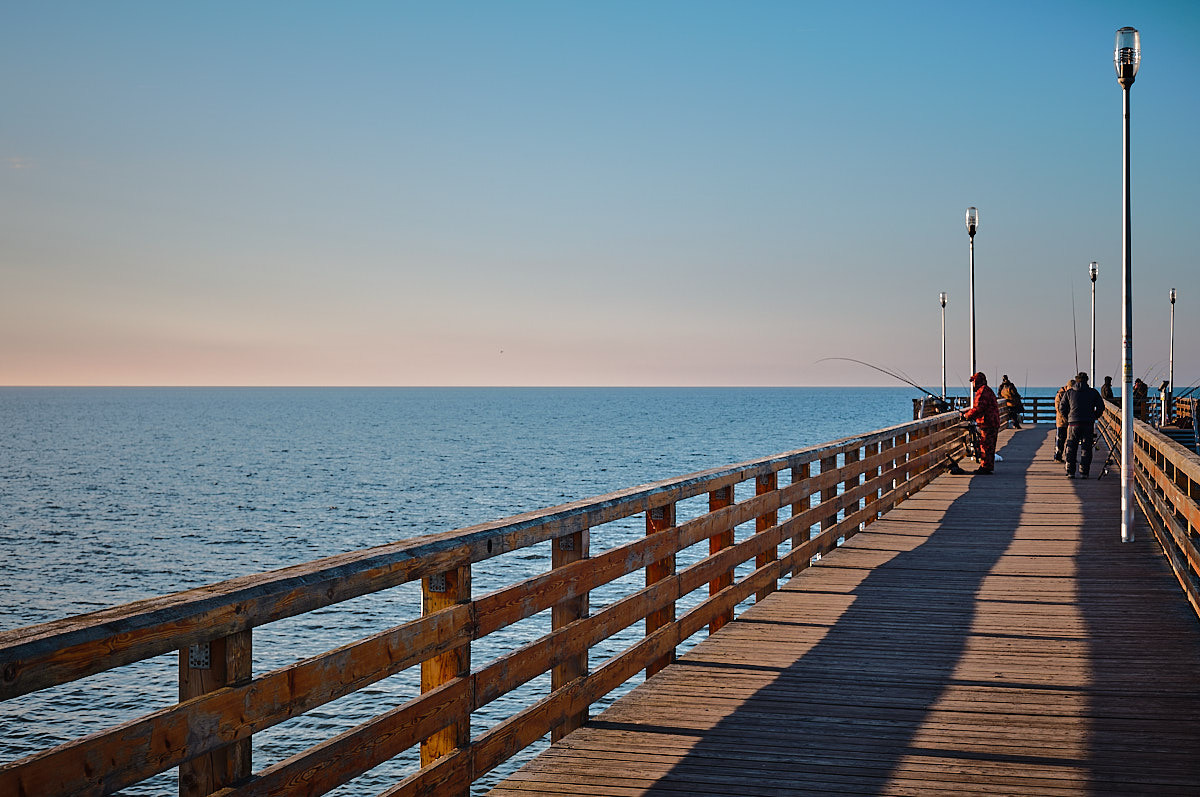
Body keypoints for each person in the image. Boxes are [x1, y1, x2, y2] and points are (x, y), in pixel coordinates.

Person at [1061, 372, 1105, 478]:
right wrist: (1094, 416)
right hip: (1088, 424)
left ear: (1076, 380)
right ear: (1087, 380)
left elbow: (1062, 407)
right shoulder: (1093, 392)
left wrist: (1069, 418)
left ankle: (1071, 471)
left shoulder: (1069, 392)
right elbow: (1101, 407)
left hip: (1073, 424)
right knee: (1086, 448)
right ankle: (1084, 472)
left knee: (1071, 447)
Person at [963, 372, 1001, 474]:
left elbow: (979, 408)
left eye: (973, 381)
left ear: (977, 381)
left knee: (985, 445)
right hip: (992, 422)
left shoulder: (982, 391)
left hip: (988, 423)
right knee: (989, 446)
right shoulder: (986, 390)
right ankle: (987, 467)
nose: (973, 384)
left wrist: (967, 415)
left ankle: (985, 468)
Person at [1053, 378, 1075, 462]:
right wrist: (1067, 415)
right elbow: (1058, 409)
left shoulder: (1072, 393)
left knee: (1071, 440)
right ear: (1068, 387)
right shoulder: (1060, 395)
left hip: (1070, 420)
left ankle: (1069, 457)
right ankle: (1057, 457)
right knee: (1060, 439)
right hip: (1061, 421)